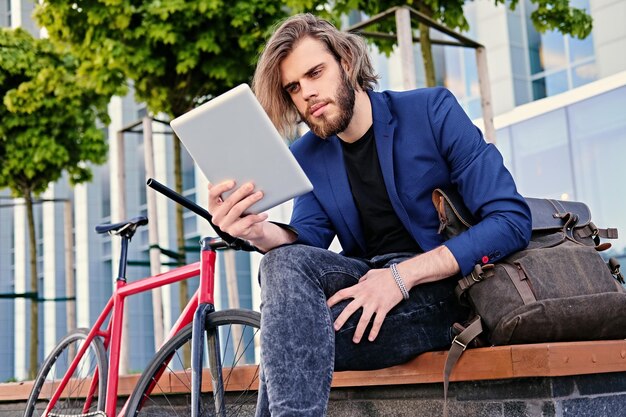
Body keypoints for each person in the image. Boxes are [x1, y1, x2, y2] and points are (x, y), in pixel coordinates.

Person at [207, 13, 532, 417]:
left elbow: (510, 219)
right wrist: (256, 230)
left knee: (293, 341)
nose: (307, 93)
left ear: (346, 62)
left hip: (443, 290)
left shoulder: (432, 111)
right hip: (365, 283)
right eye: (294, 87)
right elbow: (305, 239)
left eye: (315, 73)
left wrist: (402, 276)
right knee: (280, 266)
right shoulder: (308, 154)